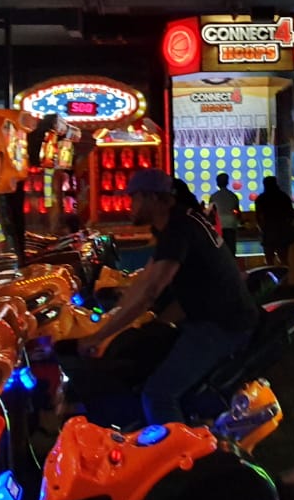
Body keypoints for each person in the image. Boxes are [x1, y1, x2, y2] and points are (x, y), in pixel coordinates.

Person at [81, 168, 258, 425]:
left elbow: (150, 291)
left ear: (152, 198)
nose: (130, 206)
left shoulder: (178, 230)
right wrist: (115, 313)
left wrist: (99, 336)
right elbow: (146, 278)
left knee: (158, 395)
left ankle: (175, 449)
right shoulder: (178, 222)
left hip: (221, 325)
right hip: (212, 318)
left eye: (134, 198)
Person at [254, 175, 294, 265]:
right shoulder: (284, 197)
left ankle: (271, 273)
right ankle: (285, 274)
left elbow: (258, 217)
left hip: (268, 231)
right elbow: (291, 215)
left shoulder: (261, 198)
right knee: (284, 258)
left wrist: (261, 228)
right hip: (283, 231)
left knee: (269, 260)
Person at [207, 172, 241, 258]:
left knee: (219, 248)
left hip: (218, 225)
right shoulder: (233, 196)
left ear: (217, 183)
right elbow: (237, 211)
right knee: (231, 247)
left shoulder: (213, 196)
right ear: (227, 182)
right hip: (230, 223)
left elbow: (211, 212)